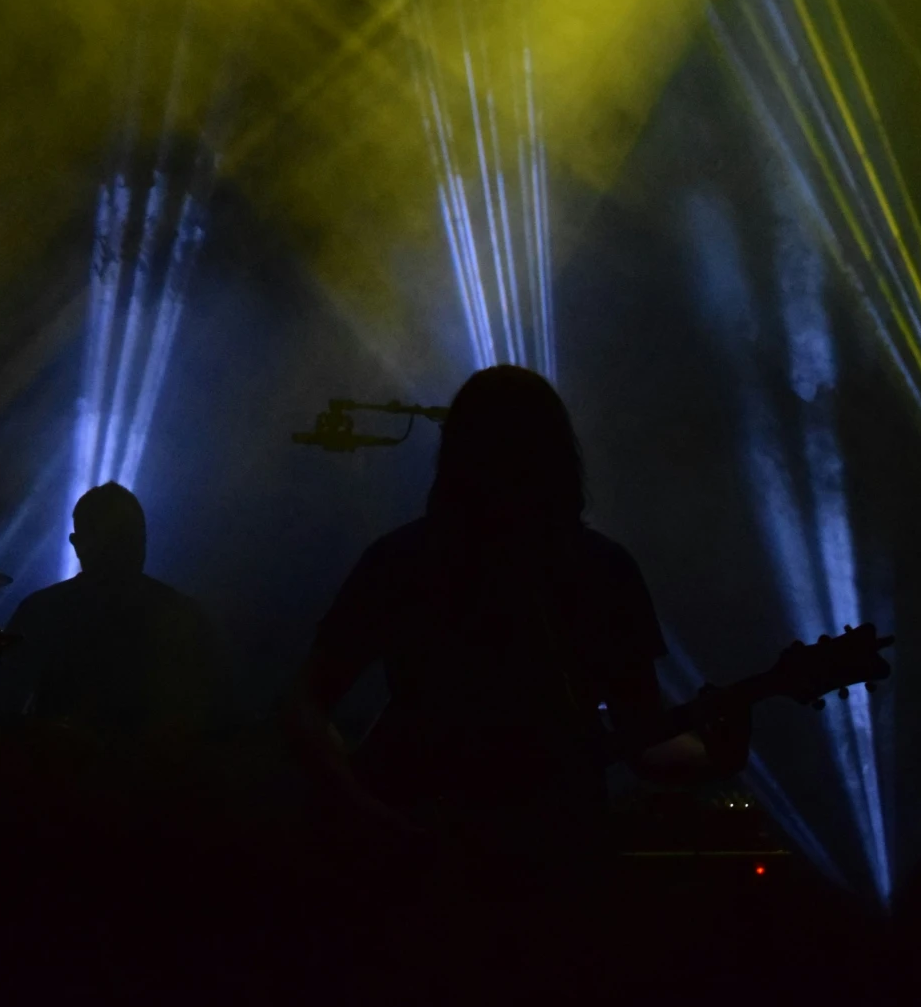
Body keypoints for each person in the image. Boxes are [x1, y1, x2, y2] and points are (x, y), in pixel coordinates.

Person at [288, 365, 747, 860]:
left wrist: (359, 806)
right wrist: (716, 755)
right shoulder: (601, 569)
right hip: (549, 861)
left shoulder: (403, 557)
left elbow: (304, 702)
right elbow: (646, 742)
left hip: (439, 859)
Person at [0, 482, 226, 764]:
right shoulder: (181, 613)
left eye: (128, 539)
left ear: (77, 545)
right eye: (116, 538)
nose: (123, 550)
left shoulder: (43, 610)